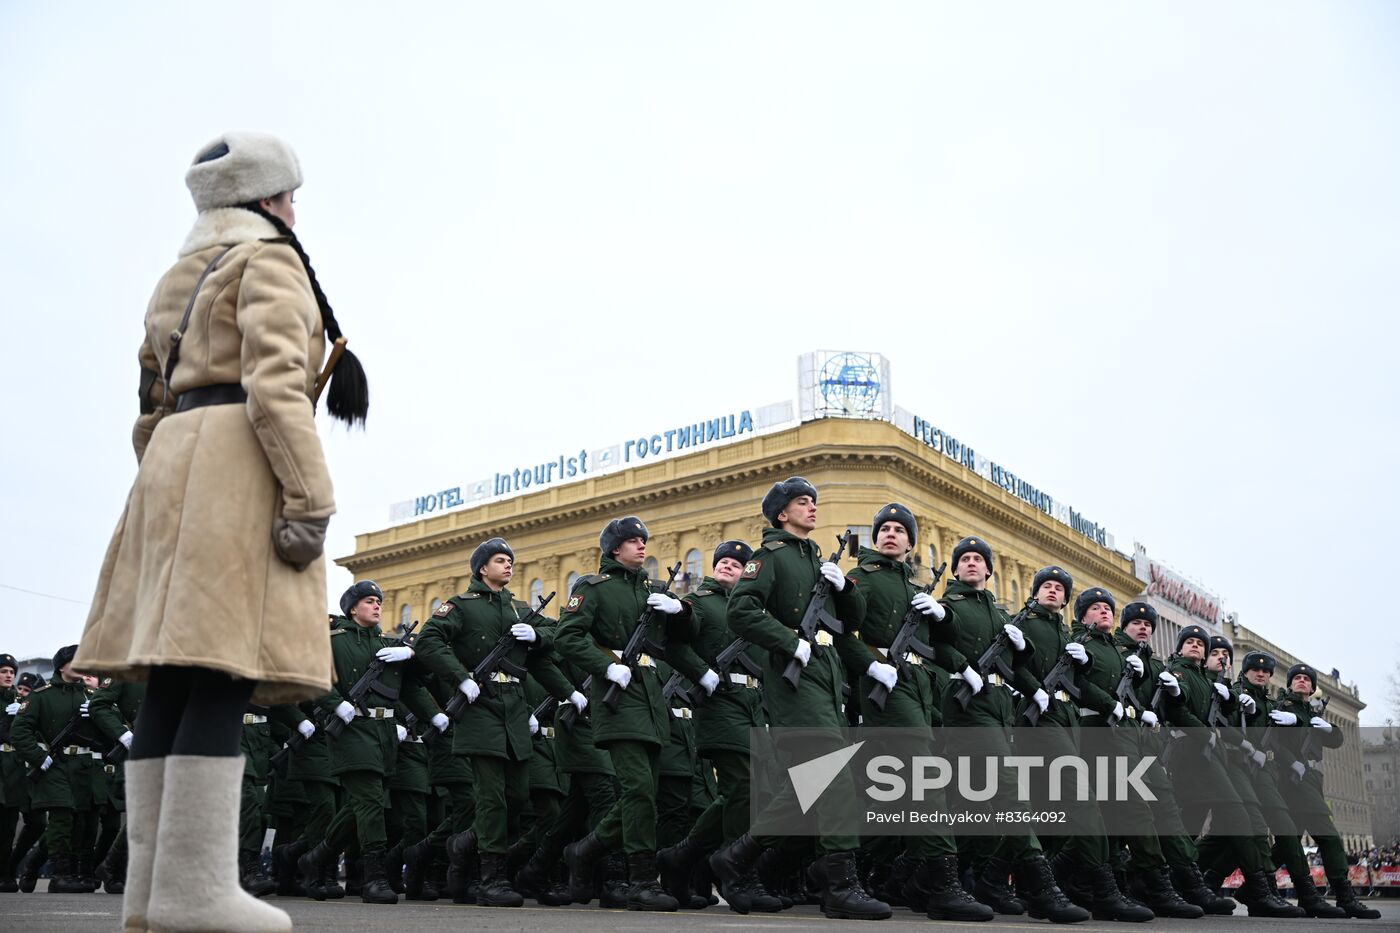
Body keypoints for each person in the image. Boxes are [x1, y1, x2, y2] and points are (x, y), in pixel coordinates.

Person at [72, 130, 367, 933]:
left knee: (172, 680)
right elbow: (278, 389)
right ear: (269, 200)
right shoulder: (271, 260)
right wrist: (309, 499)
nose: (297, 210)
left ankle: (151, 894)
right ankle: (197, 888)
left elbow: (148, 404)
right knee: (222, 671)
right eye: (291, 197)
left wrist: (166, 481)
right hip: (239, 461)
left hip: (173, 465)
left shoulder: (178, 274)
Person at [709, 477, 891, 920]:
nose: (812, 508)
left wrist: (845, 590)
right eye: (802, 502)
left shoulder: (814, 559)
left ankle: (737, 857)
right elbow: (741, 610)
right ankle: (841, 886)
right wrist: (787, 643)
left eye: (814, 502)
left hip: (825, 676)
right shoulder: (769, 557)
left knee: (813, 782)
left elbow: (850, 623)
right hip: (794, 679)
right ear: (780, 513)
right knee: (834, 774)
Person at [931, 536, 1088, 923]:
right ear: (955, 570)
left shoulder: (1000, 615)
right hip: (966, 709)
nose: (971, 564)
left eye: (977, 560)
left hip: (1000, 710)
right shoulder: (947, 606)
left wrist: (1034, 683)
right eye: (963, 559)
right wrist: (962, 664)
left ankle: (924, 876)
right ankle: (1042, 886)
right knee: (1009, 793)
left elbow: (1017, 668)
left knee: (976, 805)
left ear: (988, 570)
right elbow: (935, 644)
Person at [413, 538, 560, 907]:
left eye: (511, 560)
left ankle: (462, 846)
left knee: (517, 797)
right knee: (492, 797)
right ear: (482, 569)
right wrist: (460, 677)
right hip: (479, 707)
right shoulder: (461, 606)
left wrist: (538, 634)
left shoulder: (520, 607)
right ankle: (491, 879)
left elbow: (558, 634)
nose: (509, 565)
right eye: (500, 560)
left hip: (513, 707)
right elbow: (430, 640)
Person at [556, 517, 686, 911]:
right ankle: (642, 879)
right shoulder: (593, 588)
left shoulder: (651, 591)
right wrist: (604, 665)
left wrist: (681, 612)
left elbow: (674, 644)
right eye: (632, 541)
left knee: (645, 793)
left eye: (644, 540)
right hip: (618, 697)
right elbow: (567, 636)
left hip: (650, 700)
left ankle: (585, 851)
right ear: (615, 549)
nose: (642, 546)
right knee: (638, 791)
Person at [299, 581, 442, 905]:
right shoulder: (334, 641)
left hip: (384, 732)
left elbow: (411, 687)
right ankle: (373, 877)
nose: (377, 606)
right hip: (352, 728)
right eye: (369, 601)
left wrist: (413, 656)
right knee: (371, 803)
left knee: (361, 804)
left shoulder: (387, 645)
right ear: (352, 608)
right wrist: (335, 702)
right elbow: (311, 675)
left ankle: (317, 858)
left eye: (379, 601)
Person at [1268, 662, 1380, 919]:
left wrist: (1328, 727)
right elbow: (1273, 738)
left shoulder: (1312, 712)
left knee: (1288, 842)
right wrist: (1291, 760)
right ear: (1289, 684)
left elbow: (1336, 740)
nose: (1301, 681)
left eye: (1307, 679)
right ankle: (1345, 895)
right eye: (1296, 678)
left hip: (1310, 779)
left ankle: (1254, 886)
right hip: (1291, 779)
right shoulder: (1282, 707)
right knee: (1328, 837)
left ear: (1313, 686)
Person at [10, 646, 98, 894]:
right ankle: (60, 875)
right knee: (62, 816)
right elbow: (19, 731)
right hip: (53, 765)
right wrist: (38, 757)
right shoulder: (40, 696)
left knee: (79, 821)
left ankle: (39, 865)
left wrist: (96, 714)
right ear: (62, 666)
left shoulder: (91, 696)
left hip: (82, 767)